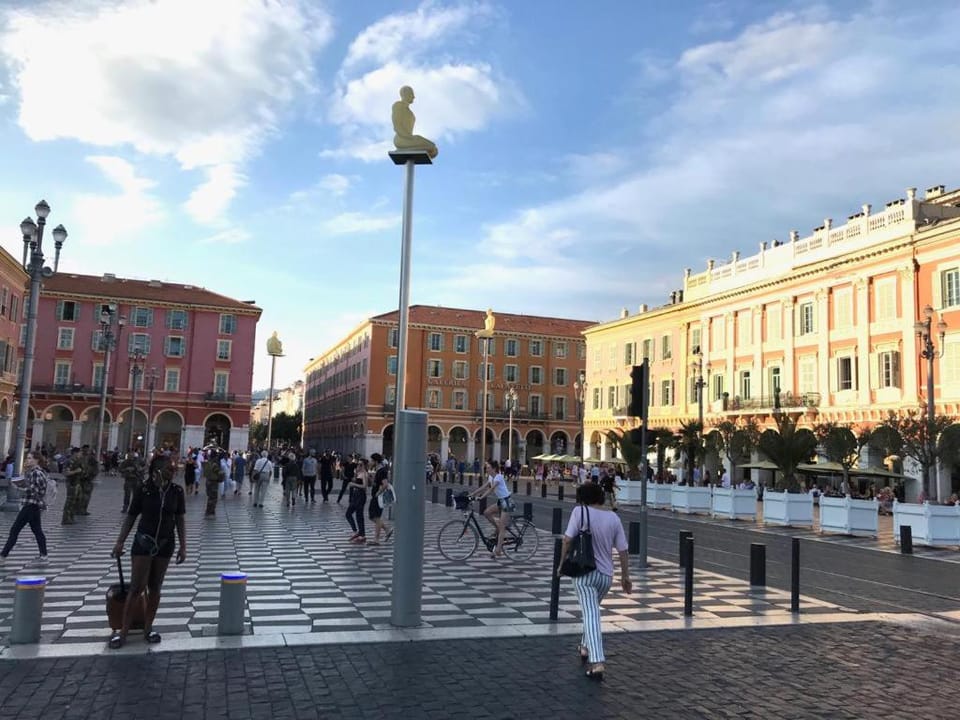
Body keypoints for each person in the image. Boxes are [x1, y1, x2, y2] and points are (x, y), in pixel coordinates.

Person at [109, 454, 186, 649]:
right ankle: (123, 632)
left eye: (173, 469)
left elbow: (180, 520)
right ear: (157, 470)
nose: (173, 471)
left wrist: (184, 546)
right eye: (169, 469)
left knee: (156, 588)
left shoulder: (176, 491)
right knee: (136, 587)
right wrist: (120, 542)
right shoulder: (143, 490)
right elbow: (131, 516)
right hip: (143, 541)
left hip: (166, 543)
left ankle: (148, 627)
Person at [556, 482, 631, 681]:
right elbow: (623, 549)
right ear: (600, 497)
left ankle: (597, 662)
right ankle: (584, 647)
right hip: (605, 576)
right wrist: (625, 576)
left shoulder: (579, 512)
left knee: (591, 614)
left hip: (584, 574)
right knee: (592, 610)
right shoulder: (613, 517)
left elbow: (567, 539)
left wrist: (561, 564)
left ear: (583, 498)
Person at [0, 451, 50, 563]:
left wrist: (18, 487)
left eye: (30, 458)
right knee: (37, 530)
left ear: (37, 460)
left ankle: (3, 555)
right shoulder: (35, 472)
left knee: (15, 530)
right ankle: (44, 555)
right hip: (34, 505)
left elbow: (33, 490)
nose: (28, 460)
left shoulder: (36, 473)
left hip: (31, 505)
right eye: (27, 458)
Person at [469, 460, 514, 557]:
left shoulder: (499, 477)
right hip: (500, 501)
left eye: (488, 467)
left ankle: (498, 550)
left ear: (494, 469)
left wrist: (481, 497)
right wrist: (472, 494)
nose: (487, 469)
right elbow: (483, 487)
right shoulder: (490, 477)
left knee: (502, 528)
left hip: (506, 501)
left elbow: (491, 489)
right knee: (487, 513)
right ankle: (498, 529)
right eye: (486, 467)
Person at [368, 453, 393, 544]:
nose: (370, 462)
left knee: (376, 517)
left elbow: (385, 484)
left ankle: (376, 539)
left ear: (375, 461)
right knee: (372, 516)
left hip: (378, 497)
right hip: (375, 496)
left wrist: (378, 493)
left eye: (371, 460)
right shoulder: (378, 470)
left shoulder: (382, 471)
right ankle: (387, 530)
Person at [345, 458, 368, 543]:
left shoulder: (364, 474)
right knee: (348, 514)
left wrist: (353, 484)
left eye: (361, 464)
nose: (358, 466)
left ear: (364, 466)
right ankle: (356, 532)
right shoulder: (358, 473)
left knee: (359, 516)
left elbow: (365, 486)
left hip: (360, 496)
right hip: (356, 495)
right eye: (358, 464)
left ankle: (362, 535)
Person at [61, 447, 84, 525]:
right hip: (71, 483)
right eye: (80, 452)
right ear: (75, 453)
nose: (81, 454)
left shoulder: (77, 461)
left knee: (75, 501)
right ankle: (65, 519)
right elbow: (66, 473)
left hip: (77, 483)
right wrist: (76, 471)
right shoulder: (69, 461)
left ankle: (71, 517)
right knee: (70, 501)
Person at [203, 449, 225, 516]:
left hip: (208, 481)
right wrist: (222, 474)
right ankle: (210, 511)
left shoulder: (208, 462)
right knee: (213, 497)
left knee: (210, 497)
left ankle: (209, 511)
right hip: (213, 483)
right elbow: (218, 472)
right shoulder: (214, 464)